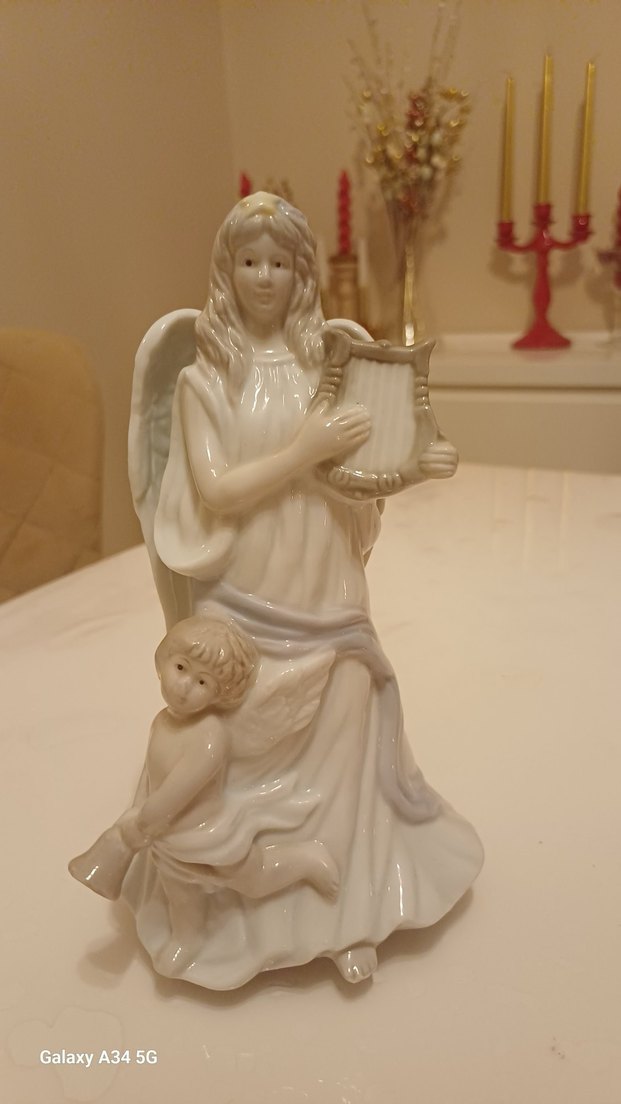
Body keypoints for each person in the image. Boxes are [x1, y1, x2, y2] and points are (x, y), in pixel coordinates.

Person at [125, 192, 483, 988]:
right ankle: (227, 904)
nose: (263, 277)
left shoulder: (332, 363)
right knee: (239, 739)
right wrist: (304, 448)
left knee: (347, 717)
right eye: (249, 261)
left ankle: (351, 911)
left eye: (279, 263)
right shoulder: (203, 380)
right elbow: (217, 491)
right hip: (247, 581)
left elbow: (356, 473)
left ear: (301, 273)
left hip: (324, 572)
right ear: (226, 271)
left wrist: (416, 464)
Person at [70, 614, 340, 976]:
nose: (184, 687)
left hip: (207, 833)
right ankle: (189, 937)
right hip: (165, 834)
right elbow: (152, 776)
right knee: (179, 891)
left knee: (252, 879)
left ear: (220, 694)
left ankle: (305, 860)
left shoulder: (209, 736)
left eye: (202, 682)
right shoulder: (162, 722)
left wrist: (141, 825)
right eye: (181, 667)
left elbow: (179, 791)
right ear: (163, 661)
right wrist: (133, 813)